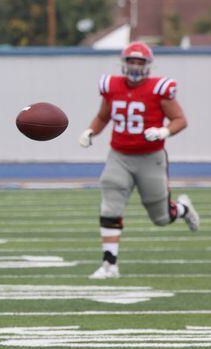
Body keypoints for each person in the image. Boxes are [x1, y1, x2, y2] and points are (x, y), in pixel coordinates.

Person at [78, 41, 198, 280]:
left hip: (150, 157)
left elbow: (180, 120)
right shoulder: (111, 86)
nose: (134, 66)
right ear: (123, 63)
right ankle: (109, 265)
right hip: (119, 155)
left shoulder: (159, 89)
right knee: (110, 201)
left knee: (161, 217)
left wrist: (164, 131)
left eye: (139, 62)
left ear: (147, 65)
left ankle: (182, 209)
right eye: (131, 61)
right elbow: (103, 116)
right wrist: (91, 131)